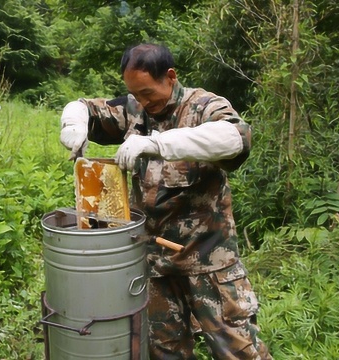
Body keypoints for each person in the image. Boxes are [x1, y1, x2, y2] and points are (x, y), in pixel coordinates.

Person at [59, 43, 272, 359]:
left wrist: (158, 144)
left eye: (148, 93)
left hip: (208, 259)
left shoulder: (203, 107)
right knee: (164, 350)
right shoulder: (134, 109)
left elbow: (236, 138)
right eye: (136, 94)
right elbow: (84, 106)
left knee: (238, 349)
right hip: (155, 263)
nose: (144, 102)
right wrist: (73, 125)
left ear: (170, 77)